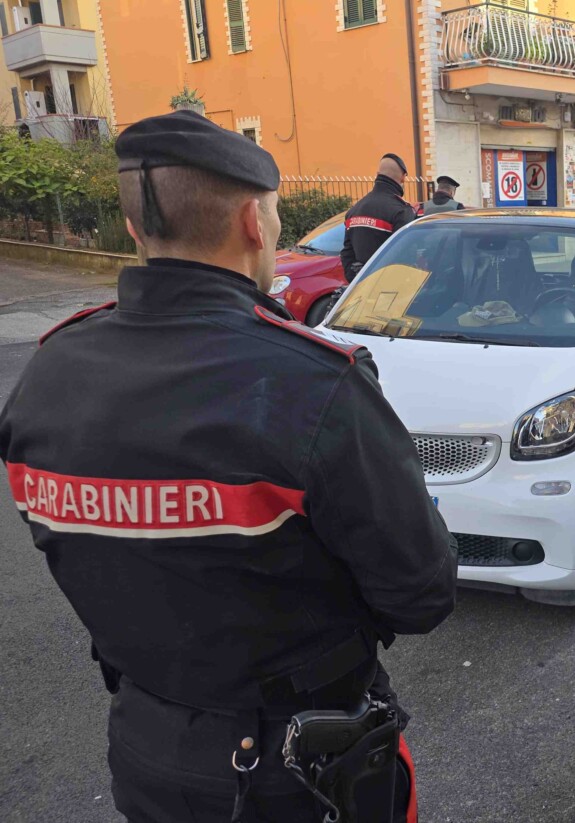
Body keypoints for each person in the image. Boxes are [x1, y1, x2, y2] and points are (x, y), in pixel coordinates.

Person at [0, 110, 457, 821]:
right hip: (305, 772)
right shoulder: (312, 385)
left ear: (132, 229)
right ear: (253, 220)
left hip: (149, 751)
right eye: (275, 218)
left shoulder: (47, 374)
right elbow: (422, 592)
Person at [340, 152, 417, 281]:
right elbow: (406, 256)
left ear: (377, 175)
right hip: (390, 288)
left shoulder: (354, 210)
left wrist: (356, 279)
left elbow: (347, 252)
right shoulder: (400, 210)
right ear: (403, 178)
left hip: (361, 289)